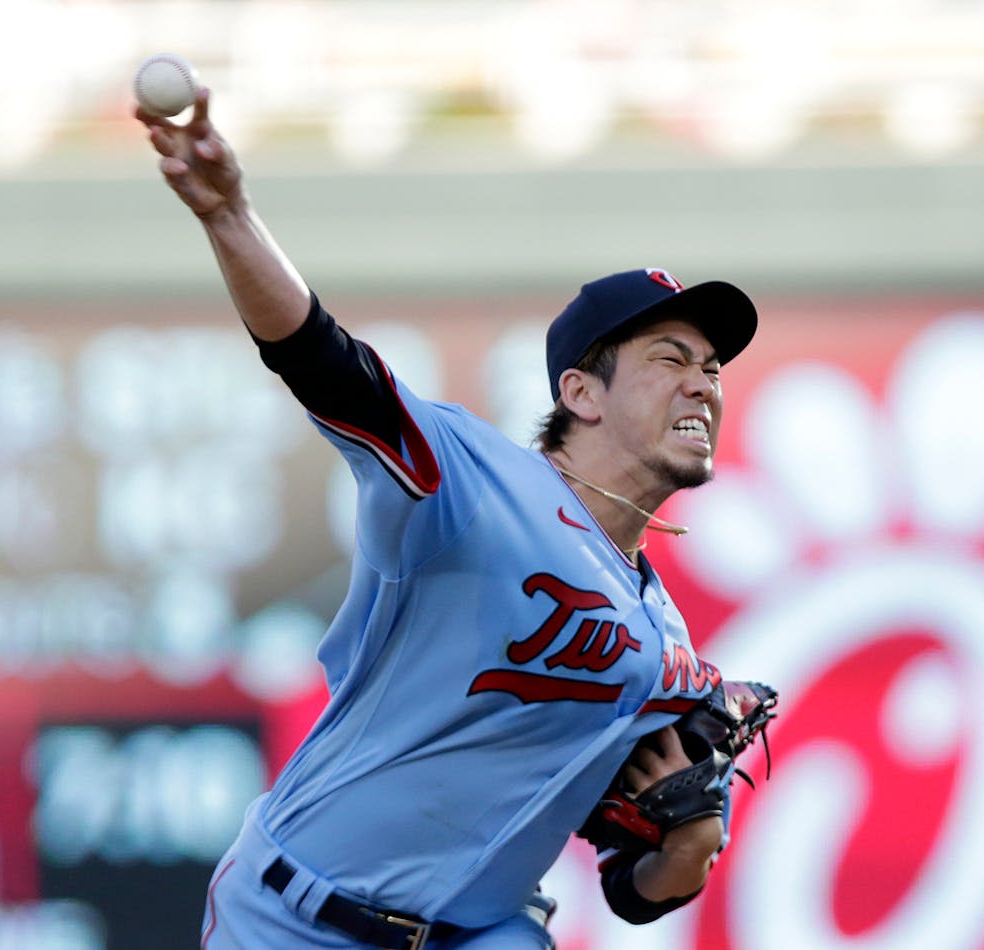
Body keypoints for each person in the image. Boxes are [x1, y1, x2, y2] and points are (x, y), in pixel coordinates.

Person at [137, 88, 763, 950]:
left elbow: (631, 886)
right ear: (579, 391)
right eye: (670, 359)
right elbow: (325, 361)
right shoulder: (475, 486)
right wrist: (230, 214)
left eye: (713, 368)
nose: (705, 383)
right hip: (293, 914)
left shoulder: (663, 639)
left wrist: (688, 846)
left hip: (481, 934)